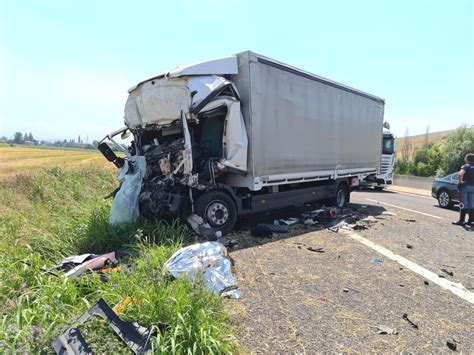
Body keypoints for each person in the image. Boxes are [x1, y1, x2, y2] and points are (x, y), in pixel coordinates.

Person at [452, 153, 474, 226]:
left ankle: (461, 221)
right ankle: (471, 221)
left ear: (467, 159)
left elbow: (460, 174)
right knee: (471, 203)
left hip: (466, 186)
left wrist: (460, 182)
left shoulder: (466, 166)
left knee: (462, 203)